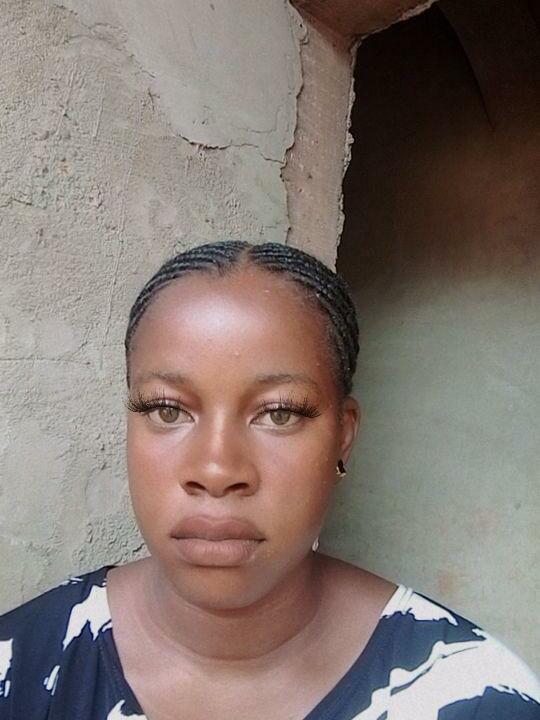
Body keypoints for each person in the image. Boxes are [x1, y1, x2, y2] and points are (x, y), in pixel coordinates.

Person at [0, 240, 538, 720]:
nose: (216, 471)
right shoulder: (20, 670)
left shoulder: (472, 696)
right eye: (167, 409)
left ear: (343, 435)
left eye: (280, 413)